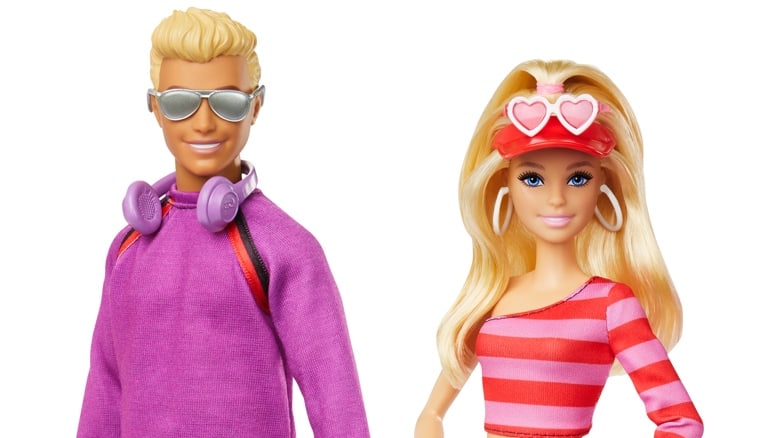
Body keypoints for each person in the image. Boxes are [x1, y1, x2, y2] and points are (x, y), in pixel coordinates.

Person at [77, 7, 369, 437]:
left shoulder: (282, 247)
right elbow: (104, 388)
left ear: (256, 106)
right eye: (180, 103)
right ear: (155, 108)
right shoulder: (128, 248)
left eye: (228, 103)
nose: (203, 123)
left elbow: (336, 401)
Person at [414, 59, 703, 437]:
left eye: (578, 178)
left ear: (604, 185)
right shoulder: (491, 295)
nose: (556, 199)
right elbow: (431, 416)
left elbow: (681, 421)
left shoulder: (611, 305)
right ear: (504, 185)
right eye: (532, 178)